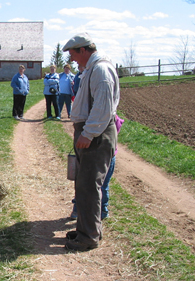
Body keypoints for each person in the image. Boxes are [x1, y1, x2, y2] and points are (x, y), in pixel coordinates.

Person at [62, 32, 120, 251]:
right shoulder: (92, 69)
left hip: (95, 134)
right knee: (85, 184)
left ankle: (88, 237)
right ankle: (88, 229)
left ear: (83, 50)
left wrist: (88, 133)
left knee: (88, 185)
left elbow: (102, 107)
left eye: (74, 55)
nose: (73, 60)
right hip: (91, 131)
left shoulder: (101, 70)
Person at [70, 115, 125, 220]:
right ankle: (84, 209)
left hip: (104, 156)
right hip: (106, 155)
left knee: (93, 184)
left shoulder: (102, 118)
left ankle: (100, 210)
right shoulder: (111, 118)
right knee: (97, 185)